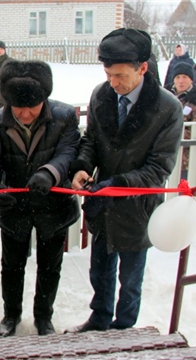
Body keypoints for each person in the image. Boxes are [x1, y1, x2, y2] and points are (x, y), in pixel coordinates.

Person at [68, 28, 184, 333]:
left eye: (120, 75)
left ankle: (123, 328)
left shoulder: (167, 108)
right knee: (100, 271)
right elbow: (91, 139)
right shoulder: (101, 95)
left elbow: (158, 168)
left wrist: (117, 183)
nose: (113, 82)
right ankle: (99, 319)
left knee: (131, 278)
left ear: (142, 68)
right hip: (102, 206)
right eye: (108, 74)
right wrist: (82, 166)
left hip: (138, 207)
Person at [0, 60, 80, 337]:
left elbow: (68, 151)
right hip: (15, 207)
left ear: (45, 99)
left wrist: (50, 173)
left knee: (50, 267)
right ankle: (11, 314)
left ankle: (44, 317)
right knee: (11, 267)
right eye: (18, 107)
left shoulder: (64, 116)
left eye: (33, 107)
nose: (25, 114)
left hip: (54, 206)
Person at [165, 62, 196, 179]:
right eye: (178, 77)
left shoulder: (194, 101)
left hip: (187, 159)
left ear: (191, 80)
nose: (181, 81)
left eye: (185, 77)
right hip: (165, 157)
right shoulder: (165, 96)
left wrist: (172, 133)